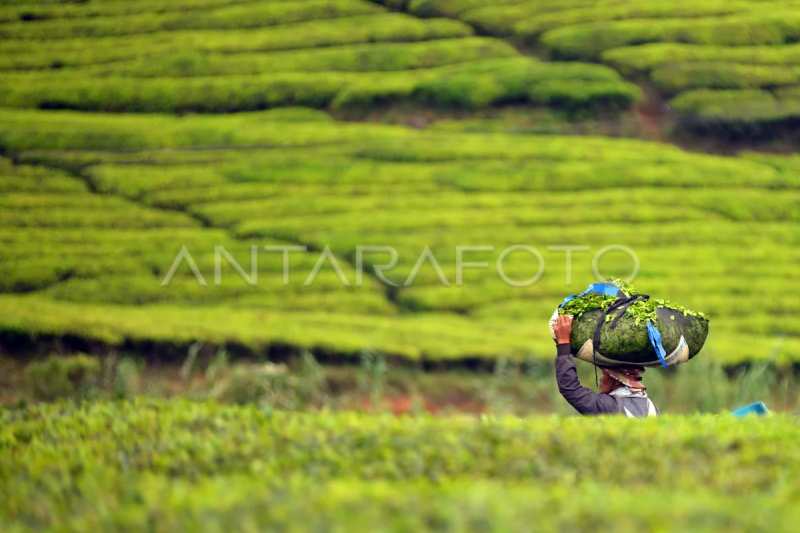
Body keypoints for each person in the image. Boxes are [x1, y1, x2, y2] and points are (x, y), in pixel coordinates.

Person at [553, 315, 659, 418]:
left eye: (604, 374)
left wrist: (563, 342)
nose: (600, 378)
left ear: (617, 380)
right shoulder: (653, 408)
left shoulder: (610, 407)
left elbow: (570, 388)